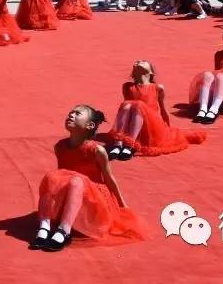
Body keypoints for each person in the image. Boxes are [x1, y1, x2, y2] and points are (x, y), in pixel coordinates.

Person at [30, 105, 144, 251]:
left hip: (95, 201)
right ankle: (45, 226)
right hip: (73, 194)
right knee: (52, 176)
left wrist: (122, 205)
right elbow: (61, 176)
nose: (71, 115)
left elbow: (109, 178)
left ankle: (64, 230)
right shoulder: (60, 146)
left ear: (89, 125)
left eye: (77, 113)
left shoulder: (97, 150)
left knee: (77, 180)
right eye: (70, 112)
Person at [106, 61, 206, 160]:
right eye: (138, 62)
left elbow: (162, 108)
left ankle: (130, 145)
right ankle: (118, 143)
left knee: (138, 105)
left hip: (152, 123)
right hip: (135, 122)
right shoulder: (127, 86)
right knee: (127, 105)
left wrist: (167, 127)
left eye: (143, 62)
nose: (139, 62)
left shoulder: (157, 87)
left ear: (151, 73)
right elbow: (126, 112)